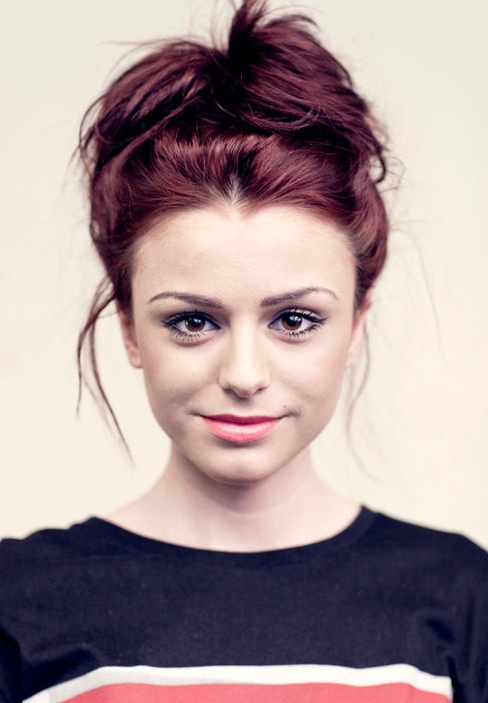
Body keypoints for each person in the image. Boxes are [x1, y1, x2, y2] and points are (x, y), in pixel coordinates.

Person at [0, 0, 486, 700]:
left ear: (355, 324)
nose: (245, 375)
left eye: (295, 319)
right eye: (194, 321)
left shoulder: (464, 597)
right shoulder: (19, 601)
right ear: (130, 327)